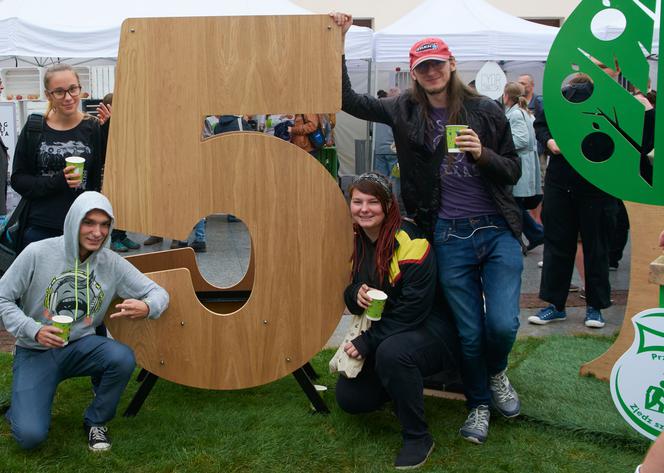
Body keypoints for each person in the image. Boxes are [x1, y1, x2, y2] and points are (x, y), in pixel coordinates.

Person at [332, 13, 523, 445]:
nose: (431, 71)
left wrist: (483, 155)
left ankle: (495, 374)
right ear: (414, 73)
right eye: (423, 66)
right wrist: (339, 42)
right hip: (447, 233)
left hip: (495, 229)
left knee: (503, 326)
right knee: (469, 328)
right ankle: (478, 403)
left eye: (437, 63)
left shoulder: (486, 110)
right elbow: (347, 100)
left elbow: (514, 171)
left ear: (451, 64)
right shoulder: (403, 108)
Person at [0, 191, 169, 451]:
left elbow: (159, 293)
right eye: (88, 222)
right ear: (73, 222)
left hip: (81, 347)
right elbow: (2, 297)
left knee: (121, 357)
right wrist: (33, 331)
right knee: (30, 437)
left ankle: (96, 421)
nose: (97, 232)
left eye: (104, 225)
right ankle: (22, 407)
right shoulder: (37, 253)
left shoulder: (110, 262)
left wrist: (148, 306)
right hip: (36, 350)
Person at [336, 172, 459, 470]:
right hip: (391, 329)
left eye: (372, 202)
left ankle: (418, 437)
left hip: (432, 329)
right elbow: (351, 288)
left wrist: (368, 341)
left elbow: (415, 309)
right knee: (352, 398)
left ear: (388, 205)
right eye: (357, 202)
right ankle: (402, 388)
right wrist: (356, 294)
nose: (364, 209)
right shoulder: (358, 237)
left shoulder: (411, 241)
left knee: (393, 353)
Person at [529, 73, 616, 329]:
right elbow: (540, 126)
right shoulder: (560, 98)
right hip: (561, 182)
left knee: (595, 246)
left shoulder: (608, 101)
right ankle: (556, 305)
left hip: (597, 183)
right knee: (558, 244)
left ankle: (595, 306)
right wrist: (549, 141)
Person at [10, 64, 106, 252]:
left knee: (79, 281)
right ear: (48, 95)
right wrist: (58, 181)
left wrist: (110, 132)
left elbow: (100, 177)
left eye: (73, 89)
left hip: (83, 228)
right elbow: (18, 179)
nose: (68, 97)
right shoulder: (34, 127)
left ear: (80, 88)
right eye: (59, 92)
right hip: (40, 228)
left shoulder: (93, 127)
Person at [503, 81, 543, 251]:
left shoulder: (516, 114)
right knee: (515, 204)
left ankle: (535, 234)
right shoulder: (525, 112)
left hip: (519, 164)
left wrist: (502, 145)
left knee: (514, 203)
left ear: (506, 96)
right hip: (525, 163)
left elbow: (521, 140)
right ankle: (535, 234)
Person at [98, 93, 141, 253]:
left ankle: (122, 235)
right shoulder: (102, 125)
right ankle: (114, 238)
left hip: (125, 171)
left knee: (124, 205)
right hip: (110, 174)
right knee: (113, 206)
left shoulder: (125, 124)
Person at [373, 88, 401, 205]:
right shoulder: (399, 110)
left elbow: (371, 130)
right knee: (395, 179)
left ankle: (381, 203)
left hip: (379, 150)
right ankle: (393, 204)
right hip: (393, 150)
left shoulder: (378, 109)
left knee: (380, 179)